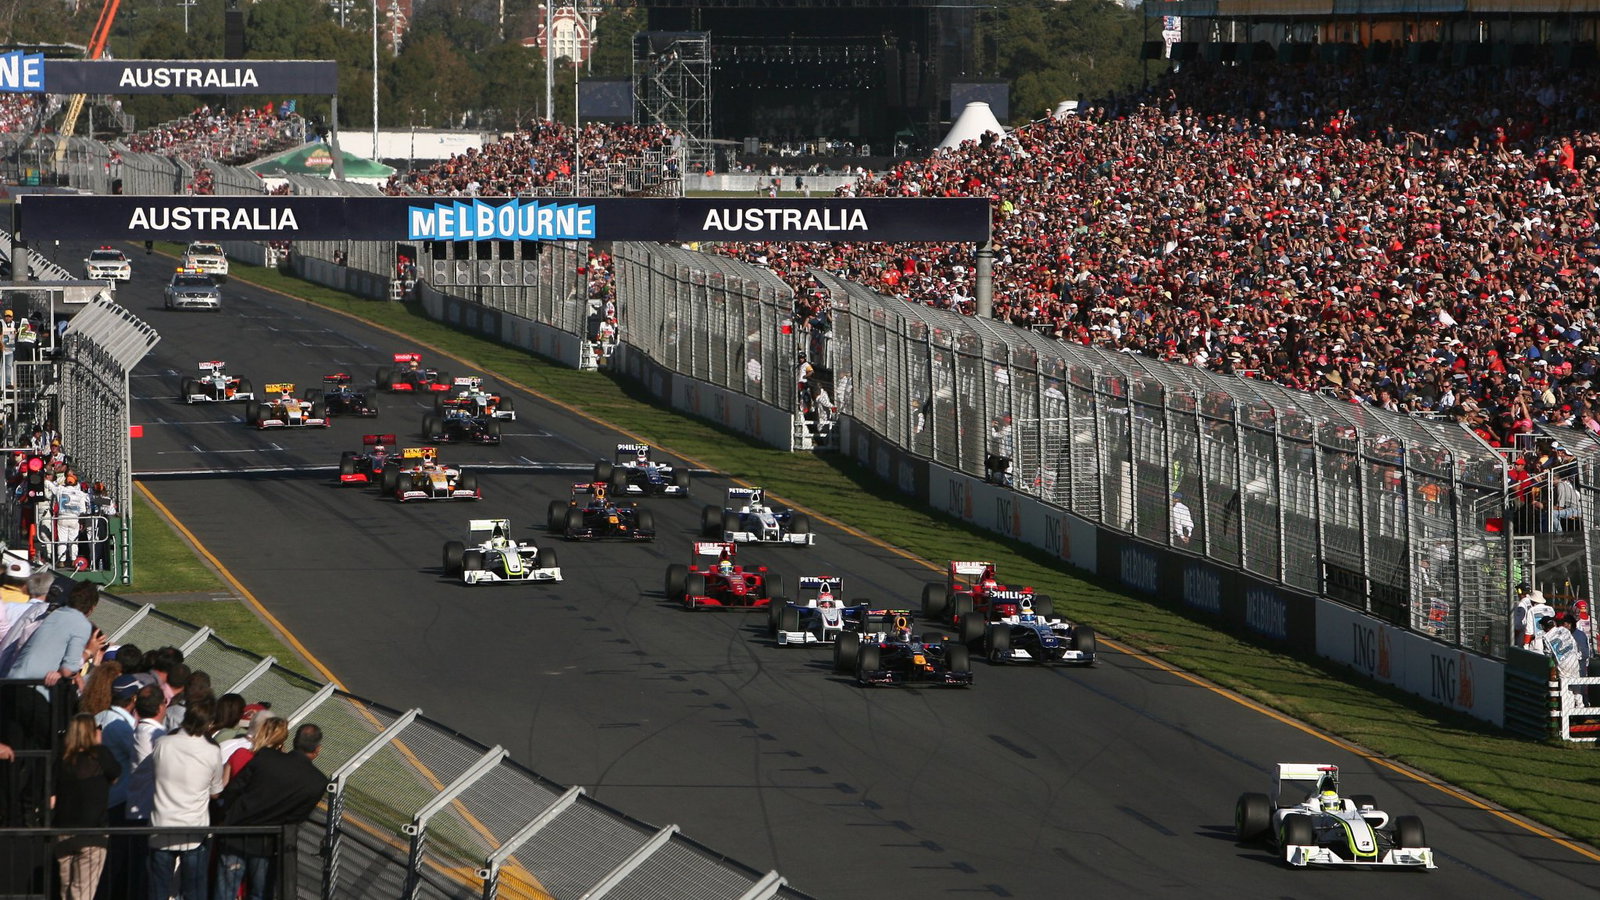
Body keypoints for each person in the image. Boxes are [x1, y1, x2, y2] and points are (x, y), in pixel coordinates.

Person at [213, 723, 327, 900]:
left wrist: (222, 817)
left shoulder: (266, 757)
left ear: (295, 741)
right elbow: (297, 818)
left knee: (225, 892)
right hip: (268, 844)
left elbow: (234, 789)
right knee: (260, 894)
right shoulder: (317, 782)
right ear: (317, 749)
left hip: (235, 833)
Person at [148, 699, 222, 900]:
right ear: (208, 724)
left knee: (157, 891)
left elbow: (153, 775)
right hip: (193, 831)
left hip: (161, 826)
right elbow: (216, 791)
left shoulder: (162, 743)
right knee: (194, 892)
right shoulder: (212, 751)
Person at [52, 713, 120, 900]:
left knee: (66, 888)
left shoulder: (63, 758)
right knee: (83, 890)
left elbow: (52, 794)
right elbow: (115, 774)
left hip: (63, 830)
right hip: (92, 832)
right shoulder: (100, 755)